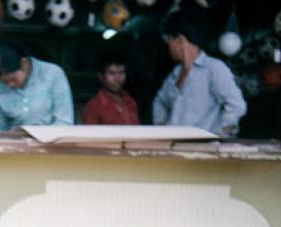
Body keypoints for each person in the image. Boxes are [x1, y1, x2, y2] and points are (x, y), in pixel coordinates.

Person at [152, 9, 246, 137]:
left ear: (180, 39)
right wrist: (161, 127)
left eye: (169, 40)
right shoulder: (174, 75)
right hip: (173, 150)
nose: (169, 47)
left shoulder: (214, 68)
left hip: (203, 152)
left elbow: (237, 106)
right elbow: (159, 101)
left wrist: (216, 135)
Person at [0, 41, 74, 131]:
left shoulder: (53, 75)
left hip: (50, 141)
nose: (10, 84)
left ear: (24, 63)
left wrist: (40, 135)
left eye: (13, 79)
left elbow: (64, 122)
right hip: (15, 143)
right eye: (4, 82)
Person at [81, 51, 140, 125]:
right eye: (111, 73)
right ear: (101, 77)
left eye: (121, 72)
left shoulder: (131, 103)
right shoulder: (93, 107)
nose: (117, 78)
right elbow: (91, 135)